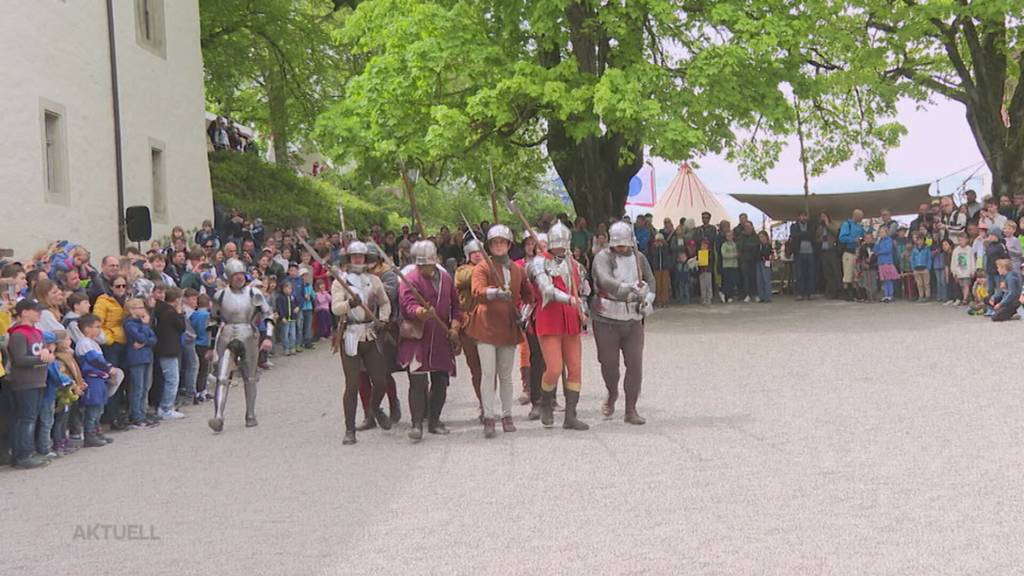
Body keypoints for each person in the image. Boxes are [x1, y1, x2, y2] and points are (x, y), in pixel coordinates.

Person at [465, 224, 533, 438]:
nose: (499, 246)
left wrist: (524, 313)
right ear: (490, 245)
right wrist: (495, 293)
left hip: (507, 326)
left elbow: (529, 297)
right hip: (485, 326)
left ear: (509, 245)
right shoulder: (482, 267)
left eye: (502, 242)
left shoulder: (517, 270)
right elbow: (477, 291)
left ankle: (507, 415)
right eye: (495, 242)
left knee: (505, 375)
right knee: (488, 374)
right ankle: (488, 416)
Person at [528, 220, 591, 432]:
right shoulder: (539, 262)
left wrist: (583, 309)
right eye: (557, 243)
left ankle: (571, 416)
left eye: (564, 243)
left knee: (575, 368)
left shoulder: (574, 264)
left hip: (571, 320)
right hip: (549, 319)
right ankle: (546, 404)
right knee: (554, 368)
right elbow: (546, 289)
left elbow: (583, 290)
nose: (561, 247)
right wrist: (569, 299)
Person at [397, 241, 463, 442]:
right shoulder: (409, 280)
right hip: (418, 337)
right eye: (424, 265)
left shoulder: (445, 277)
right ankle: (417, 424)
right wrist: (422, 313)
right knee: (417, 381)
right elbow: (408, 305)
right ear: (417, 264)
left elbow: (456, 308)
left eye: (431, 264)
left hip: (442, 337)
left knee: (441, 381)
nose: (428, 268)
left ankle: (434, 420)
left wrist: (454, 328)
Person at [591, 222, 655, 425]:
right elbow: (605, 280)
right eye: (618, 244)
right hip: (606, 317)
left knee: (635, 363)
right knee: (609, 363)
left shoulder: (639, 257)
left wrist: (648, 299)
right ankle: (611, 393)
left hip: (634, 317)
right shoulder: (603, 257)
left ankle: (631, 409)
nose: (621, 247)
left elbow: (651, 281)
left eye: (624, 244)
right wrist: (630, 287)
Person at [331, 242, 392, 445]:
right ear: (349, 259)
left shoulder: (374, 280)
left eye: (361, 256)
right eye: (354, 256)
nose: (358, 260)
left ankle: (374, 408)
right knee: (352, 384)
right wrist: (350, 303)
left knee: (381, 380)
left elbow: (384, 302)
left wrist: (383, 319)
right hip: (350, 334)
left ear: (366, 259)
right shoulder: (341, 281)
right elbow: (336, 308)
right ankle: (350, 430)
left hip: (370, 333)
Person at [209, 258, 275, 432]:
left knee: (250, 377)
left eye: (240, 274)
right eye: (235, 275)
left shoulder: (254, 293)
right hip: (227, 333)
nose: (239, 278)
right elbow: (213, 320)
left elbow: (268, 314)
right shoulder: (220, 295)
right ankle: (218, 415)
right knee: (222, 377)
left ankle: (250, 414)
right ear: (229, 277)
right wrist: (211, 346)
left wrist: (268, 337)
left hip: (248, 333)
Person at [5, 300, 54, 468]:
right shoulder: (19, 334)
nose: (38, 313)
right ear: (24, 312)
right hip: (25, 381)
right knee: (26, 418)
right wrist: (41, 358)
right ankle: (22, 454)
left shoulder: (37, 332)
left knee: (29, 417)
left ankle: (25, 452)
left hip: (38, 379)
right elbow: (19, 359)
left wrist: (47, 353)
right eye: (34, 310)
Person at [75, 314, 124, 448]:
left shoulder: (93, 343)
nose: (99, 330)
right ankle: (89, 435)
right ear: (86, 329)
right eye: (96, 327)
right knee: (93, 408)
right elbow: (94, 360)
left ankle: (97, 432)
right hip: (91, 378)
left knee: (100, 407)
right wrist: (108, 368)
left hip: (100, 378)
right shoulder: (84, 343)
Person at [455, 239, 485, 418]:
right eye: (474, 252)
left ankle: (488, 403)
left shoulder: (491, 267)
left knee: (490, 369)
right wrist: (486, 269)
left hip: (489, 324)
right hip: (469, 325)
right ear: (468, 255)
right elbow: (465, 280)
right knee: (476, 370)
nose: (477, 254)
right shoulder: (462, 271)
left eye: (480, 251)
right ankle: (483, 403)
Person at [122, 298, 159, 428]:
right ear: (131, 310)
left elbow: (154, 339)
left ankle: (143, 413)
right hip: (136, 358)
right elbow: (141, 337)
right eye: (139, 308)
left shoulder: (143, 324)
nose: (143, 310)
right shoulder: (130, 324)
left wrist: (144, 341)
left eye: (143, 307)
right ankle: (136, 415)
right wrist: (144, 327)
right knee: (137, 388)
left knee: (145, 387)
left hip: (147, 356)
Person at [154, 288, 187, 420]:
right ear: (177, 300)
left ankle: (164, 407)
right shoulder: (171, 312)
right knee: (172, 380)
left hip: (164, 348)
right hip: (169, 349)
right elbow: (181, 327)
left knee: (168, 378)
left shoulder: (161, 310)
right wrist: (179, 312)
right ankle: (167, 407)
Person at [838, 210, 865, 300]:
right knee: (847, 274)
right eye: (860, 216)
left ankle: (854, 293)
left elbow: (863, 236)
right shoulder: (847, 224)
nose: (861, 218)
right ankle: (846, 294)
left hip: (857, 252)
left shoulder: (859, 226)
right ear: (855, 215)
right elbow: (842, 237)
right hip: (848, 252)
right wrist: (853, 240)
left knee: (855, 275)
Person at [191, 294, 213, 402]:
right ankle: (201, 391)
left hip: (196, 342)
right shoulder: (207, 315)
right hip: (204, 343)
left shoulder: (194, 314)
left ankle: (201, 390)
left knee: (200, 368)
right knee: (204, 369)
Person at [790, 211, 816, 300]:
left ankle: (810, 293)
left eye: (805, 216)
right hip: (799, 252)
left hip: (810, 252)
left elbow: (812, 235)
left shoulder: (811, 225)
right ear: (798, 217)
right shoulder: (794, 226)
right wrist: (804, 234)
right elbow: (794, 235)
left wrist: (801, 235)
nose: (803, 218)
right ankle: (800, 293)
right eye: (802, 216)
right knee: (799, 273)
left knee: (810, 273)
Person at [875, 226, 899, 303]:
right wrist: (877, 243)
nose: (880, 234)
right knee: (884, 280)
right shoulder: (880, 241)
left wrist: (879, 252)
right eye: (880, 232)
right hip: (881, 262)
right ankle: (886, 295)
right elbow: (874, 250)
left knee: (889, 279)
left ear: (886, 232)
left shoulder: (889, 240)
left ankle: (890, 295)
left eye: (882, 232)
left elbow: (888, 250)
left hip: (887, 262)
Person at [951, 234, 975, 305]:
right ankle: (967, 298)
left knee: (966, 285)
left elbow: (972, 260)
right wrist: (953, 271)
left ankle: (965, 299)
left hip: (967, 271)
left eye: (962, 240)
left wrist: (973, 270)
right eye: (959, 240)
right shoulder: (956, 250)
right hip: (959, 271)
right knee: (961, 286)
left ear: (966, 240)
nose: (960, 242)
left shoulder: (970, 249)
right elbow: (953, 261)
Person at [648, 234, 671, 306]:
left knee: (664, 284)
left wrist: (662, 247)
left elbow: (667, 254)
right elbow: (653, 255)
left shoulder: (666, 247)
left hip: (664, 268)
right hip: (657, 268)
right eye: (657, 240)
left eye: (660, 240)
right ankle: (658, 300)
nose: (659, 242)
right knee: (657, 285)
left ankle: (665, 300)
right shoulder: (653, 248)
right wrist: (656, 248)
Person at [276, 281, 299, 355]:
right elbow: (280, 308)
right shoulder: (280, 297)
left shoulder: (292, 296)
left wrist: (297, 307)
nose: (288, 290)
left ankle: (292, 347)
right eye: (286, 288)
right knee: (285, 334)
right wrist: (282, 317)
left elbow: (297, 303)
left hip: (292, 318)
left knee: (293, 334)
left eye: (290, 288)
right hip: (285, 319)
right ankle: (286, 348)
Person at [910, 234, 932, 302]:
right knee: (919, 284)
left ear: (923, 241)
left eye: (921, 240)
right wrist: (913, 267)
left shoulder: (926, 248)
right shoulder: (914, 249)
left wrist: (928, 267)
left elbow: (929, 258)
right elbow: (912, 259)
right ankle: (921, 296)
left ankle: (927, 296)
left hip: (924, 268)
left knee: (926, 283)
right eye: (918, 240)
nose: (919, 241)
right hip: (917, 268)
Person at [719, 230, 739, 303]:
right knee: (727, 281)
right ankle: (723, 293)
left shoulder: (735, 244)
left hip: (734, 265)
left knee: (732, 281)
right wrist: (734, 255)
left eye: (730, 235)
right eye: (728, 236)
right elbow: (724, 255)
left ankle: (730, 296)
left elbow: (738, 253)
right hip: (727, 265)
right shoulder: (724, 245)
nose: (729, 237)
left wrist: (736, 255)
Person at [756, 231, 773, 303]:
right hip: (758, 262)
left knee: (766, 279)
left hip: (766, 262)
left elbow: (768, 254)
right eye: (760, 237)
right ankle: (761, 296)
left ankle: (768, 296)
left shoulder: (768, 245)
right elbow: (757, 253)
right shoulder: (758, 245)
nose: (761, 239)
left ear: (766, 237)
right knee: (759, 279)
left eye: (762, 237)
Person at [697, 238, 714, 305]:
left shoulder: (710, 252)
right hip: (701, 271)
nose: (703, 246)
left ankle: (709, 298)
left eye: (705, 245)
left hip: (708, 270)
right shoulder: (699, 252)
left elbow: (711, 260)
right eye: (702, 245)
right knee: (702, 285)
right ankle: (703, 297)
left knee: (708, 285)